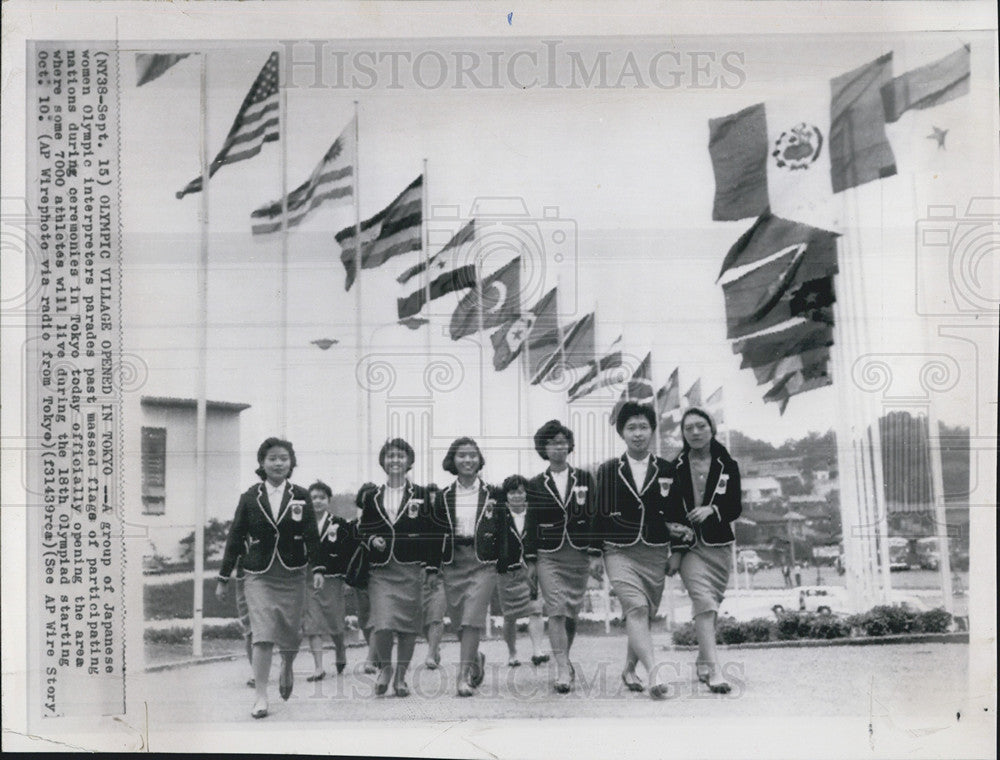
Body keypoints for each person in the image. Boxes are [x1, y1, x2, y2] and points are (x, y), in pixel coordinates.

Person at [216, 437, 325, 719]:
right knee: (262, 634)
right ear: (262, 463)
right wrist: (223, 576)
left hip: (292, 573)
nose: (278, 463)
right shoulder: (250, 497)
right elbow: (236, 537)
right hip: (258, 574)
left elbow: (313, 535)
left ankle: (287, 665)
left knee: (290, 632)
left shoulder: (301, 495)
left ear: (291, 463)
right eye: (273, 458)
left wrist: (319, 570)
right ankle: (261, 696)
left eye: (284, 458)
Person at [593, 403, 679, 700]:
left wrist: (677, 552)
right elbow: (597, 514)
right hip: (618, 550)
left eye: (643, 427)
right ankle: (654, 672)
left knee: (642, 613)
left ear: (652, 430)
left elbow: (678, 514)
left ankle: (629, 669)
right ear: (622, 433)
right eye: (631, 428)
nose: (638, 433)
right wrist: (594, 554)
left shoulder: (667, 469)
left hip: (655, 551)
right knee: (636, 608)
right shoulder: (607, 470)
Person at [665, 407, 742, 694]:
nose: (695, 433)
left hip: (719, 546)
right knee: (704, 602)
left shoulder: (728, 465)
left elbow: (735, 507)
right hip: (688, 549)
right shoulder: (674, 468)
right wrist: (675, 550)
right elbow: (670, 512)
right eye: (689, 428)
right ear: (683, 434)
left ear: (712, 429)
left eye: (701, 426)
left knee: (710, 607)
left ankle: (702, 660)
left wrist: (713, 509)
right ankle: (715, 671)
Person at [427, 437, 507, 697]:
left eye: (472, 455)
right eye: (462, 455)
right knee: (461, 622)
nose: (468, 460)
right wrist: (431, 567)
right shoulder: (443, 496)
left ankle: (462, 678)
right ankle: (476, 658)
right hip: (453, 563)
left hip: (483, 562)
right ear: (453, 460)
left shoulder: (494, 494)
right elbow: (434, 535)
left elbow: (504, 531)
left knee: (472, 619)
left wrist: (507, 562)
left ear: (479, 459)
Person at [356, 439, 434, 697]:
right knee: (383, 624)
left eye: (401, 456)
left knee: (408, 626)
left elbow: (430, 533)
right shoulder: (371, 497)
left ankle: (400, 677)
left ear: (409, 461)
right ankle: (386, 669)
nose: (395, 461)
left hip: (411, 568)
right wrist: (371, 540)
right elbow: (362, 529)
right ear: (383, 462)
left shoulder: (421, 495)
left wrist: (430, 565)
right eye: (390, 456)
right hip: (381, 570)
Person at [524, 420, 598, 694]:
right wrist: (530, 559)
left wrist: (594, 553)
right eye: (552, 442)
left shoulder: (586, 478)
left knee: (571, 613)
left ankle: (564, 658)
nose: (558, 446)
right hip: (548, 554)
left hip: (577, 553)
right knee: (555, 609)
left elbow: (593, 516)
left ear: (569, 445)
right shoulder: (534, 484)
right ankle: (562, 668)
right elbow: (530, 523)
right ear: (544, 448)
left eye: (562, 441)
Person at [497, 475, 549, 668]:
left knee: (535, 610)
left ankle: (537, 650)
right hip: (507, 572)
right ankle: (512, 653)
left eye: (520, 491)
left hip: (531, 569)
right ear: (506, 495)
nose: (517, 496)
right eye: (512, 492)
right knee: (509, 616)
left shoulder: (534, 514)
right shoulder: (499, 515)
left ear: (527, 493)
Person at [303, 481, 351, 681]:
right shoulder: (302, 524)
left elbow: (348, 552)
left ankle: (340, 651)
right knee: (312, 623)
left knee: (335, 621)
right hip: (308, 579)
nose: (317, 501)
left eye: (322, 497)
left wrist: (347, 577)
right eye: (313, 498)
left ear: (329, 500)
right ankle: (318, 667)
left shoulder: (339, 523)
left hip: (333, 579)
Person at [350, 482, 379, 674]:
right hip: (360, 577)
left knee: (377, 618)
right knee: (363, 619)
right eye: (365, 497)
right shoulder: (352, 526)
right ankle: (376, 653)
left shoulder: (382, 524)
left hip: (379, 575)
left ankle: (371, 658)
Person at [421, 482, 446, 670]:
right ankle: (434, 647)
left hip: (441, 574)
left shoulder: (445, 522)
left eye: (434, 498)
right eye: (427, 498)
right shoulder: (416, 522)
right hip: (418, 574)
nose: (431, 501)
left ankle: (430, 654)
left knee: (436, 616)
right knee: (422, 619)